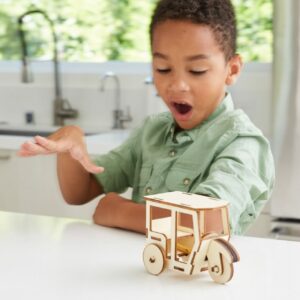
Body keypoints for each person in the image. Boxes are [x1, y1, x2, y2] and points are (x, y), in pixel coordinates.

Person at [18, 0, 275, 235]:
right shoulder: (152, 131)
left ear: (231, 70)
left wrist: (120, 211)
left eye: (197, 70)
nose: (177, 85)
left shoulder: (242, 143)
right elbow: (80, 191)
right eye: (163, 68)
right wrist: (70, 144)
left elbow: (206, 222)